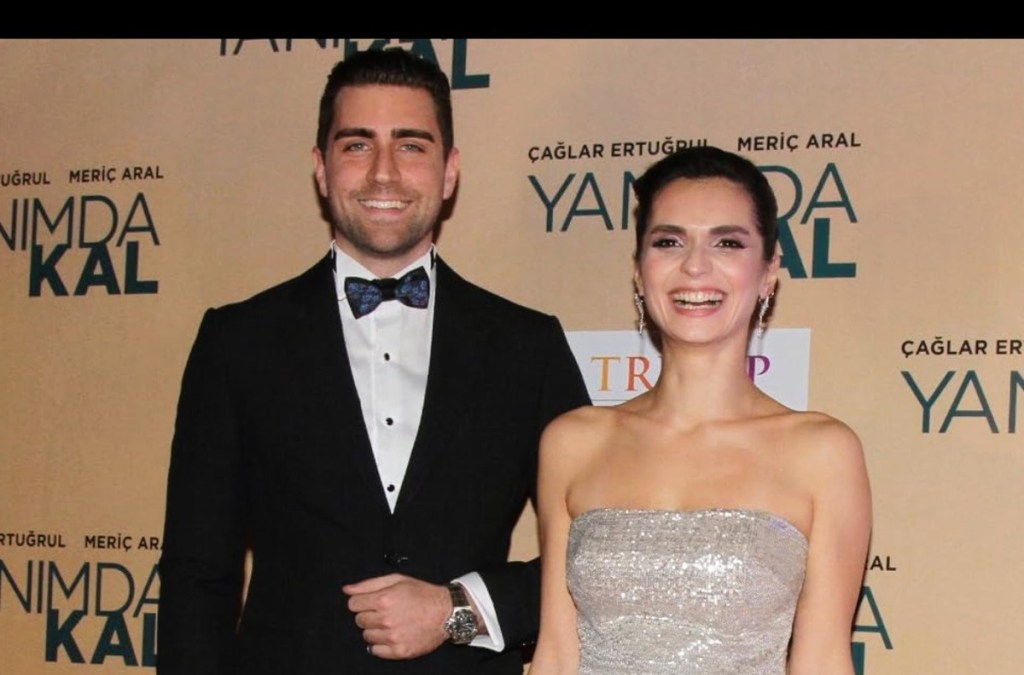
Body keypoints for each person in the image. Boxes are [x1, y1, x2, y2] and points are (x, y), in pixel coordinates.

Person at [158, 48, 589, 675]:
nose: (384, 173)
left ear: (449, 171)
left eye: (411, 146)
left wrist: (458, 609)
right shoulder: (238, 342)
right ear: (321, 169)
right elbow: (197, 573)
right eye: (358, 145)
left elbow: (596, 557)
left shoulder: (527, 346)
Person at [529, 146, 871, 675]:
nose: (694, 265)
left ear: (769, 271)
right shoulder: (573, 442)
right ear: (639, 271)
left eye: (727, 243)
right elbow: (554, 653)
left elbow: (823, 660)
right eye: (668, 241)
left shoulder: (822, 453)